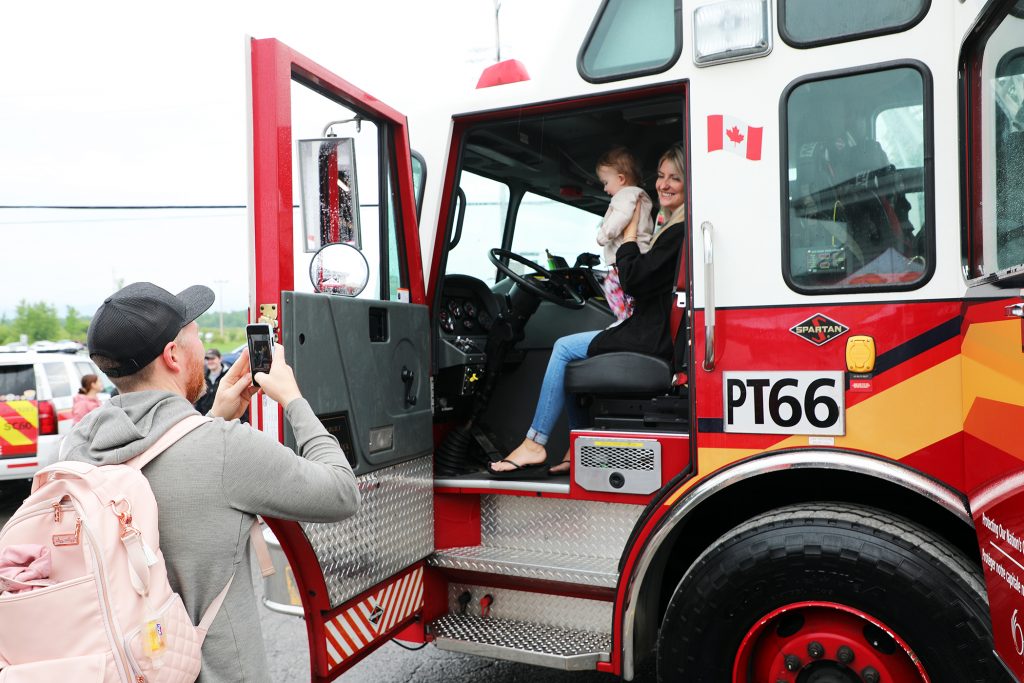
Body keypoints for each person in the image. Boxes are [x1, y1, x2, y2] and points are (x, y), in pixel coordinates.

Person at [62, 282, 360, 682]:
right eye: (196, 337)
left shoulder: (73, 449)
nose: (202, 349)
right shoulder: (224, 449)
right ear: (172, 355)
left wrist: (212, 419)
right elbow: (341, 494)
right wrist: (293, 399)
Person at [489, 144, 688, 477]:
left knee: (564, 348)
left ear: (689, 184)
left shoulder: (677, 231)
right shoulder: (672, 226)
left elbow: (636, 279)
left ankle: (534, 443)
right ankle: (577, 448)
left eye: (676, 178)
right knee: (571, 350)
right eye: (662, 176)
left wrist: (626, 237)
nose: (665, 184)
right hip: (652, 329)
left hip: (650, 335)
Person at [594, 146, 655, 322]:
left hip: (627, 258)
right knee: (628, 293)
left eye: (606, 182)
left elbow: (621, 216)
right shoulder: (639, 196)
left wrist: (603, 236)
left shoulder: (625, 195)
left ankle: (625, 320)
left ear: (621, 179)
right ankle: (629, 318)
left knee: (612, 287)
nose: (605, 189)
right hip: (639, 255)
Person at [193, 347, 247, 422]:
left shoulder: (229, 377)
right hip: (206, 420)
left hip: (226, 420)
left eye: (212, 358)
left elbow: (240, 398)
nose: (210, 361)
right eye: (208, 359)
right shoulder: (202, 377)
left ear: (220, 359)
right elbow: (198, 402)